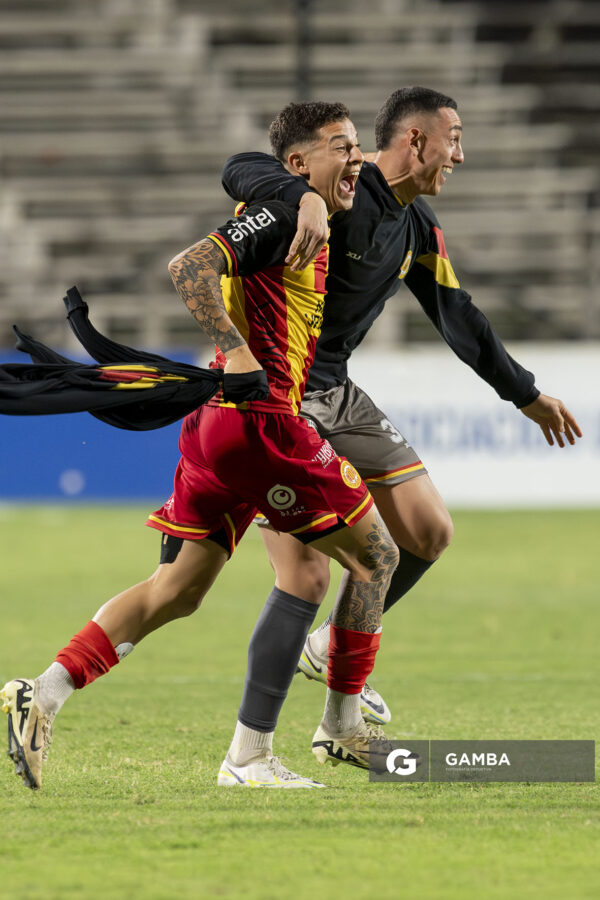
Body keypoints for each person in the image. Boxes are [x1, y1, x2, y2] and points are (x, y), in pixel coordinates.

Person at [1, 101, 396, 791]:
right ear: (299, 164)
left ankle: (44, 693)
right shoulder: (278, 215)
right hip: (263, 426)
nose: (356, 157)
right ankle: (338, 725)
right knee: (377, 558)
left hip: (219, 426)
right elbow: (188, 267)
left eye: (358, 144)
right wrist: (236, 349)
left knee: (177, 591)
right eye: (341, 146)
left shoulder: (307, 211)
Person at [220, 86, 582, 743]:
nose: (461, 155)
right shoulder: (341, 196)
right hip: (281, 402)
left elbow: (458, 315)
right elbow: (247, 167)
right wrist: (302, 195)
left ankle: (333, 652)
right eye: (454, 138)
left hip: (338, 391)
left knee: (428, 532)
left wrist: (525, 394)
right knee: (301, 574)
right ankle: (272, 743)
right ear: (415, 140)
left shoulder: (416, 228)